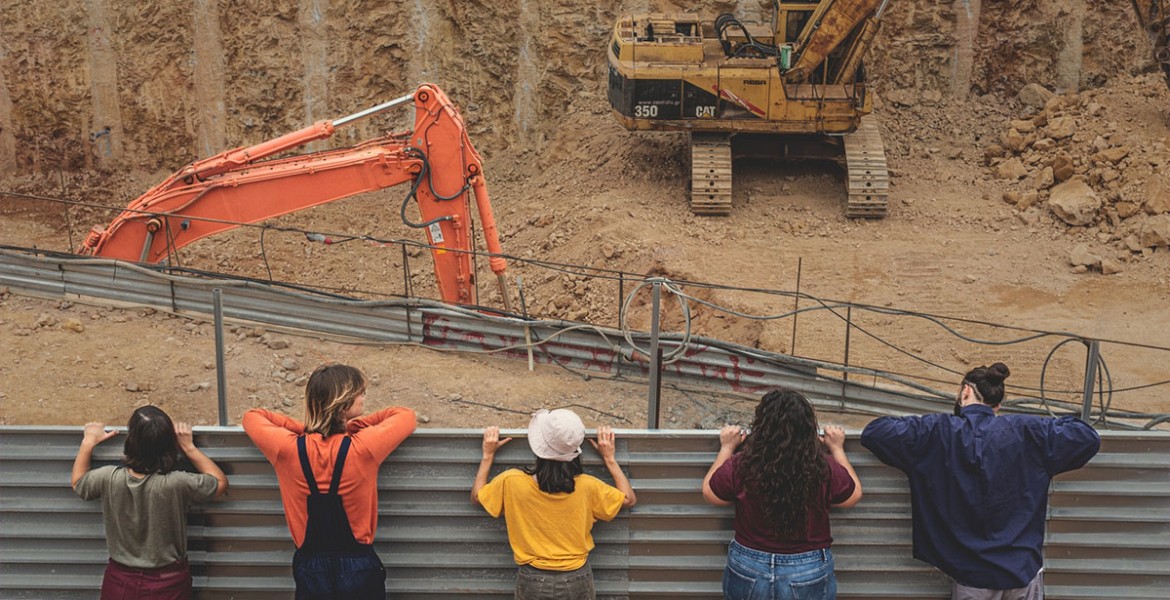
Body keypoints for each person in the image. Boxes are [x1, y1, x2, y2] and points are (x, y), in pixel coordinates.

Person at [860, 362, 1101, 600]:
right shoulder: (1028, 432)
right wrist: (1041, 426)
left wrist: (926, 424)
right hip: (1022, 573)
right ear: (998, 405)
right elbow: (1087, 437)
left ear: (965, 391)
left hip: (972, 578)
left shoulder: (937, 431)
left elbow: (876, 432)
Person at [243, 363, 416, 600]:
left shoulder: (288, 449)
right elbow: (405, 416)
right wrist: (353, 426)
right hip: (359, 566)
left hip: (310, 568)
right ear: (343, 404)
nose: (363, 396)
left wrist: (307, 430)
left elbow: (253, 417)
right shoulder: (363, 447)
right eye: (359, 392)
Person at [701, 389, 862, 600]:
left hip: (748, 564)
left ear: (761, 426)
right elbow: (853, 495)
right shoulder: (822, 467)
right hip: (808, 568)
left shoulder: (743, 464)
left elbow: (710, 494)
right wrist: (837, 449)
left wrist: (727, 448)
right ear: (808, 428)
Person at [471, 408, 637, 600]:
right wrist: (609, 458)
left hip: (532, 579)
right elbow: (628, 499)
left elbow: (477, 496)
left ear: (537, 447)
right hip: (577, 579)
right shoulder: (587, 486)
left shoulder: (511, 482)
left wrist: (487, 455)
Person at [72, 406, 229, 600]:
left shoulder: (108, 478)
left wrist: (88, 442)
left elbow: (79, 483)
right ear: (170, 445)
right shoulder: (177, 483)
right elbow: (220, 482)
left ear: (130, 442)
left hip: (120, 583)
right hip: (169, 585)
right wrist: (189, 447)